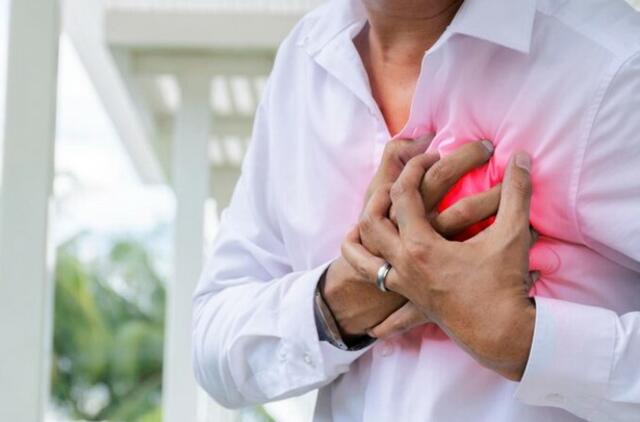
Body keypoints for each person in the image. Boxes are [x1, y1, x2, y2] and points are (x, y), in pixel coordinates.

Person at [192, 0, 640, 420]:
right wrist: (345, 297)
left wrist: (525, 341)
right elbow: (214, 341)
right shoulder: (305, 59)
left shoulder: (614, 69)